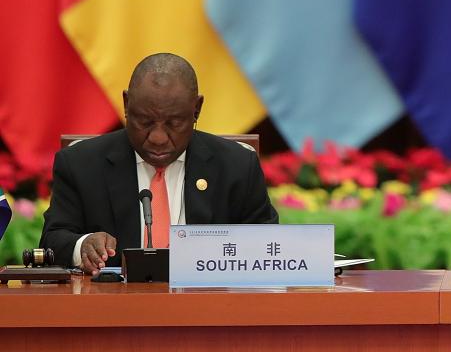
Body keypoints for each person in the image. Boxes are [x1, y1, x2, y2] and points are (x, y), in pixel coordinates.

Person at [40, 53, 277, 274]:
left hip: (209, 309)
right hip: (112, 309)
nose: (158, 138)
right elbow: (52, 241)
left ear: (197, 109)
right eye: (144, 121)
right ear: (126, 104)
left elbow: (269, 245)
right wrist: (82, 245)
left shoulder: (236, 166)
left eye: (174, 123)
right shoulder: (81, 164)